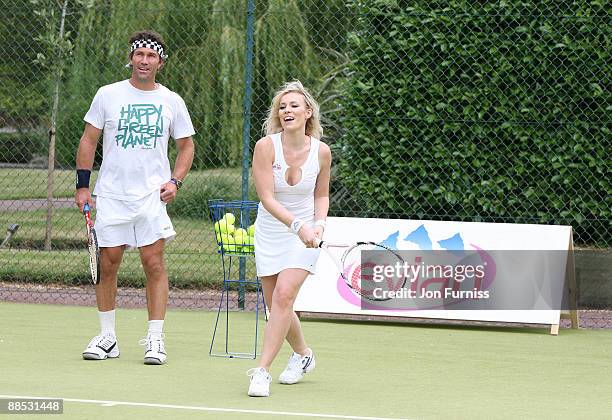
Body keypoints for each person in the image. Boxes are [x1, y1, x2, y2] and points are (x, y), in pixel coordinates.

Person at [74, 30, 195, 365]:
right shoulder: (107, 95)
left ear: (160, 62)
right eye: (139, 54)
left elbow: (186, 146)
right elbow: (88, 140)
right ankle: (107, 338)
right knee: (108, 262)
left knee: (153, 263)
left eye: (151, 56)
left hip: (151, 197)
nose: (144, 61)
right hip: (111, 195)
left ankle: (155, 339)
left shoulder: (171, 101)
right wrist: (83, 186)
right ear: (131, 58)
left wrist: (176, 181)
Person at [247, 81, 332, 396]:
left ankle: (261, 371)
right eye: (282, 107)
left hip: (306, 236)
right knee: (277, 306)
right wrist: (299, 226)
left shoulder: (322, 152)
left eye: (294, 106)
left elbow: (321, 196)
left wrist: (319, 225)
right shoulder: (266, 147)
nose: (287, 111)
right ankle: (303, 354)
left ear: (308, 112)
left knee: (284, 296)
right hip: (273, 231)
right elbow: (267, 198)